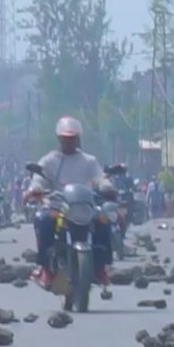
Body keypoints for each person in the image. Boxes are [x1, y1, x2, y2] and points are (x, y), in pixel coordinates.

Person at [32, 116, 112, 288]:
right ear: (59, 139)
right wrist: (36, 188)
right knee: (43, 220)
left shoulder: (88, 161)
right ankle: (45, 268)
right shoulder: (49, 160)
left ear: (78, 138)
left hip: (84, 207)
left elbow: (100, 178)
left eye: (72, 138)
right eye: (65, 138)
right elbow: (39, 179)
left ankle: (101, 268)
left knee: (104, 221)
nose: (69, 142)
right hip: (58, 208)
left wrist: (106, 187)